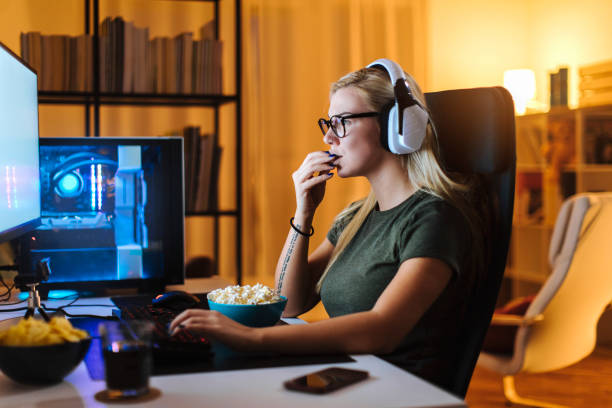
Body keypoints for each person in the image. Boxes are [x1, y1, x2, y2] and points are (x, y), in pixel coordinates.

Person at [170, 59, 485, 389]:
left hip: (398, 390)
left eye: (342, 122)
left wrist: (254, 339)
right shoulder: (354, 217)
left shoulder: (435, 218)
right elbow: (289, 302)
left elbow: (383, 330)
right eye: (328, 124)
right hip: (347, 379)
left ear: (396, 126)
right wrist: (304, 211)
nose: (329, 138)